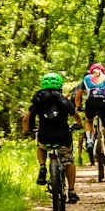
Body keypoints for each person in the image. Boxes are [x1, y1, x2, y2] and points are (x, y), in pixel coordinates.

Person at [24, 72, 84, 203]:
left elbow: (25, 119)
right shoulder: (63, 100)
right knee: (69, 161)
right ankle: (71, 191)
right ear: (60, 85)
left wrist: (27, 131)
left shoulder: (38, 101)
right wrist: (79, 125)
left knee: (41, 147)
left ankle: (42, 166)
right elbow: (76, 116)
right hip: (63, 136)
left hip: (45, 136)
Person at [75, 63, 105, 168]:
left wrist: (78, 107)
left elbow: (78, 97)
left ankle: (90, 140)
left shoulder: (86, 78)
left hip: (91, 102)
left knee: (88, 121)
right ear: (103, 71)